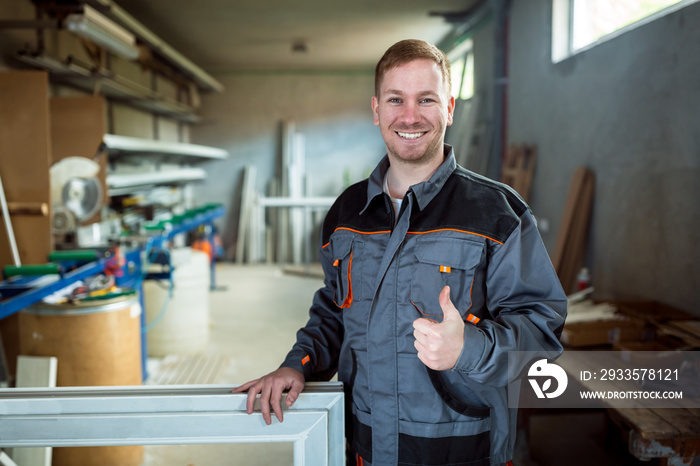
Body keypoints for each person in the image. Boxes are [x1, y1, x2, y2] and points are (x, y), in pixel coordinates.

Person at [234, 39, 567, 466]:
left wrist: (469, 348)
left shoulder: (497, 213)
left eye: (425, 99)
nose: (410, 116)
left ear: (448, 108)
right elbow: (336, 311)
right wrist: (298, 363)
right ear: (377, 110)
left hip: (464, 450)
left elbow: (541, 333)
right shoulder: (346, 212)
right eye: (396, 100)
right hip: (365, 446)